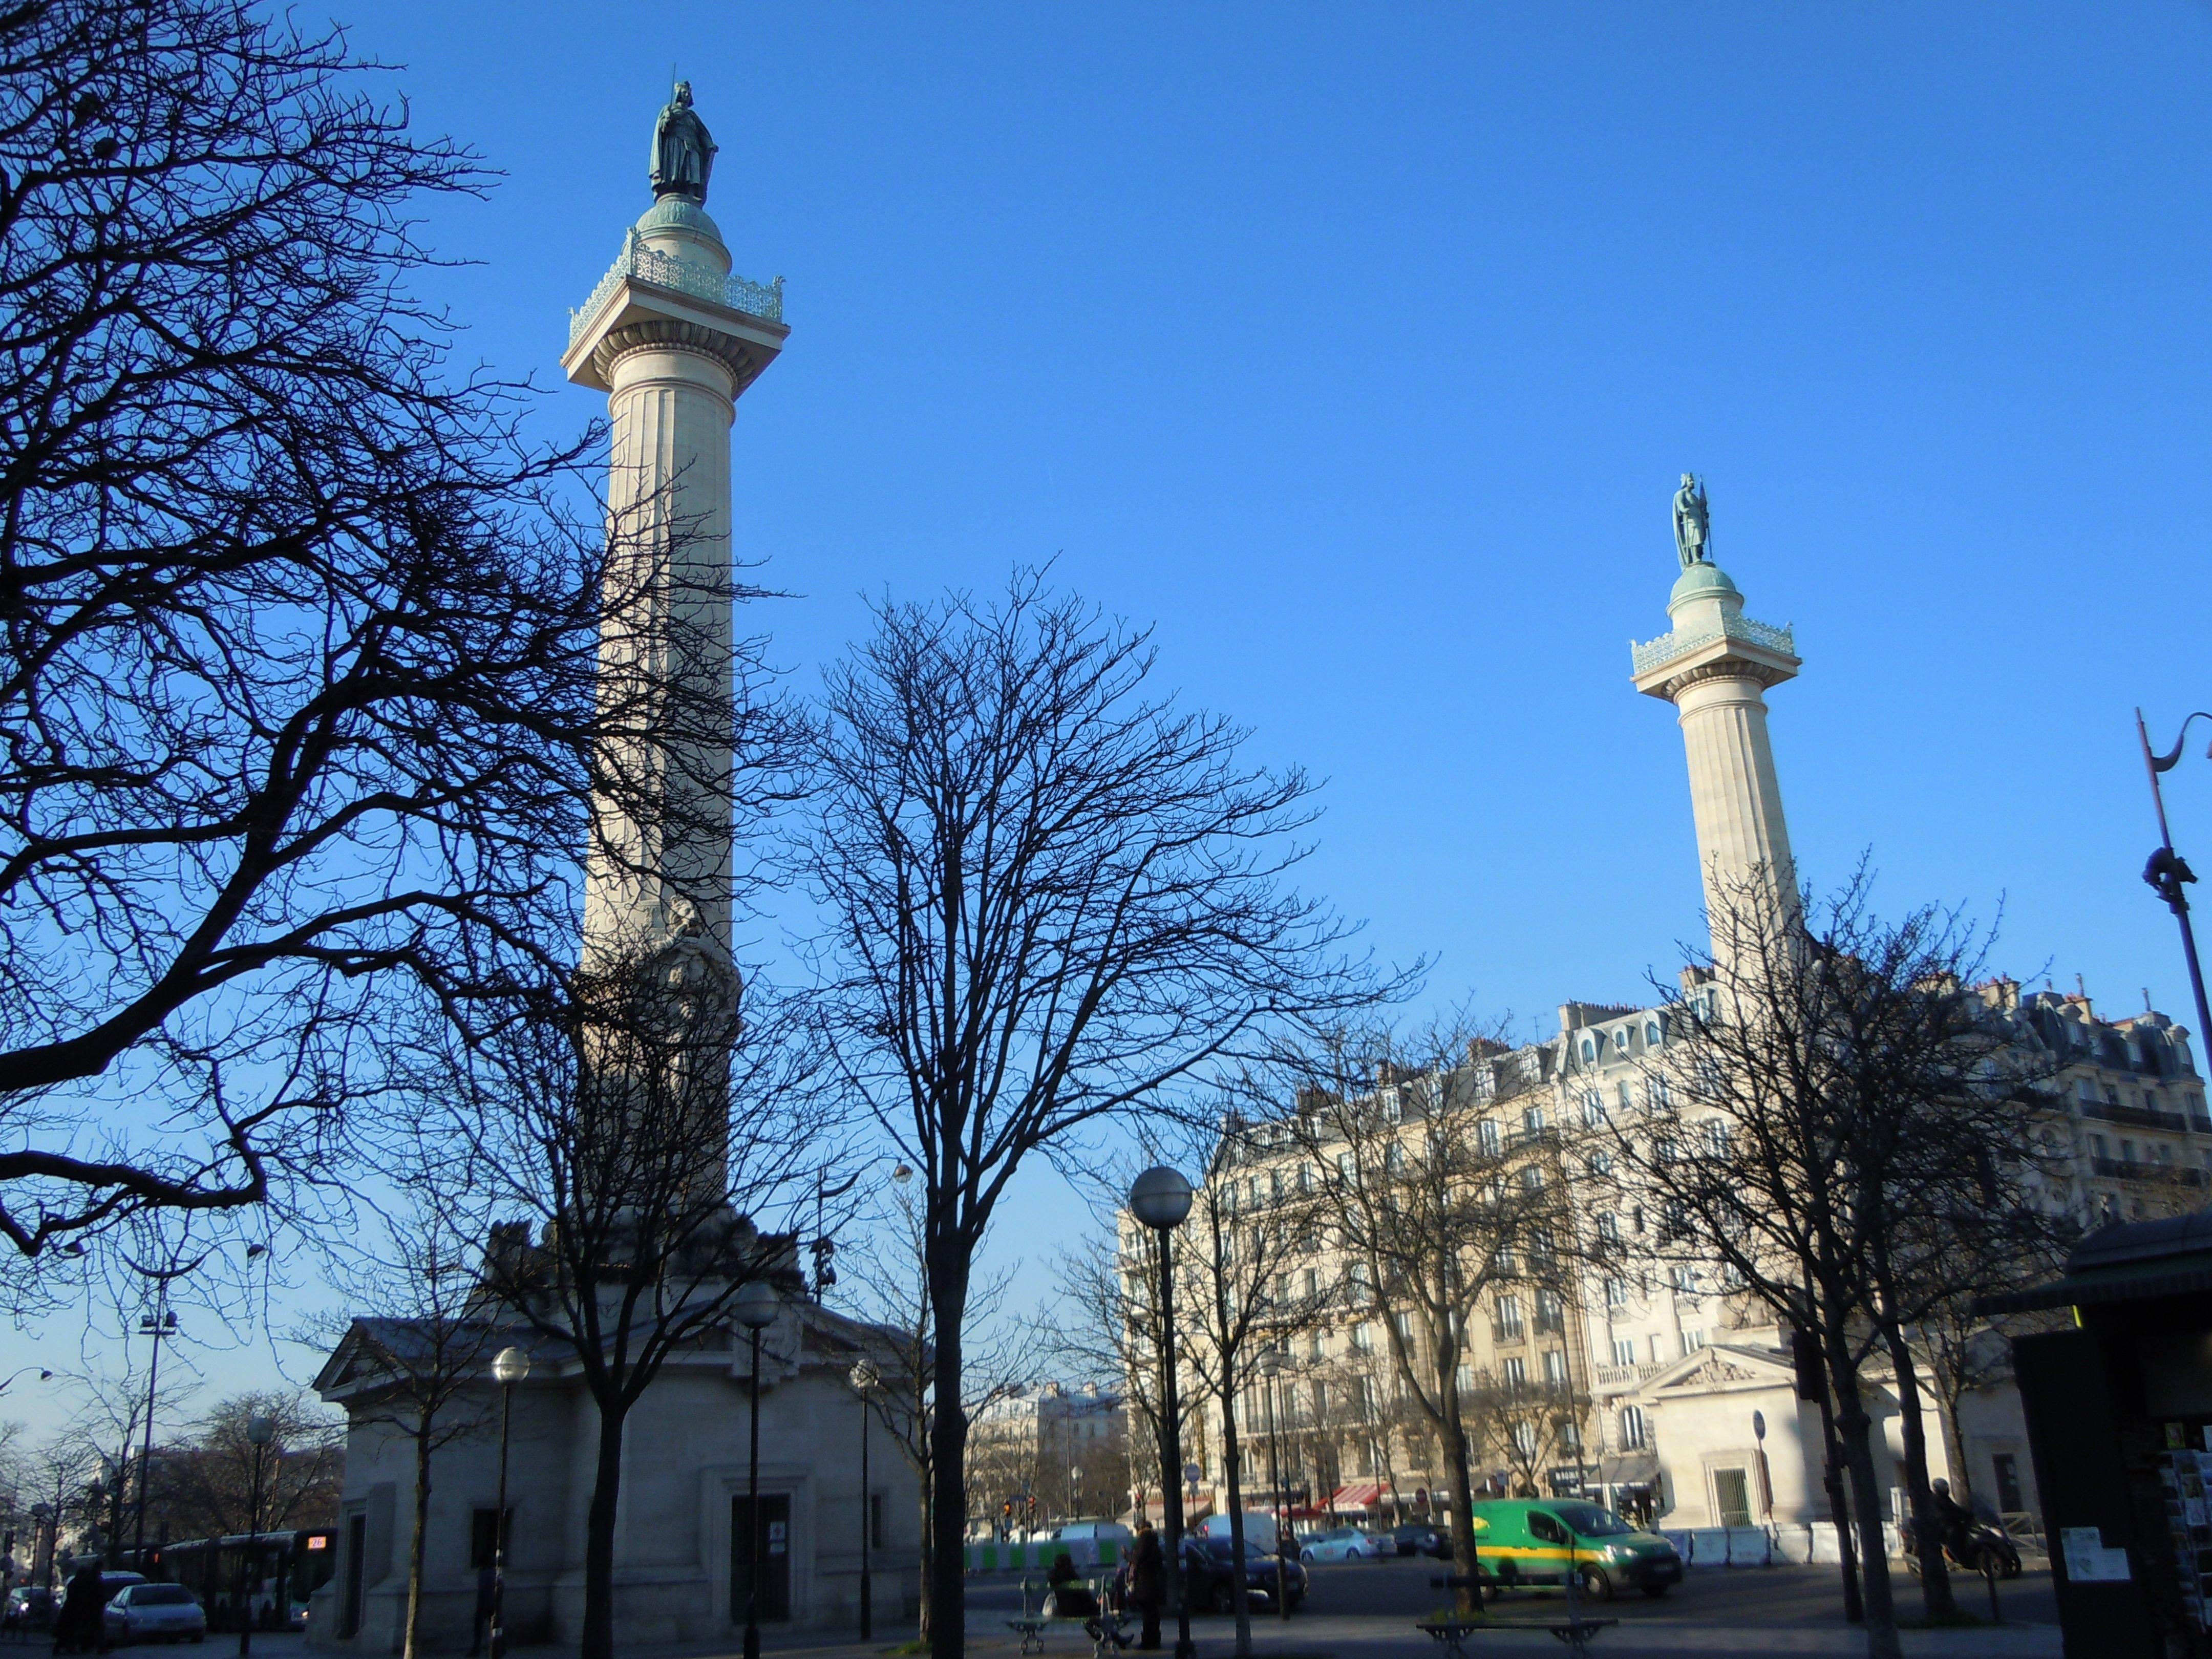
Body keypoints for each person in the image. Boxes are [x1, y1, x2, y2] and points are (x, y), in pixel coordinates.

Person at [50, 1564, 103, 1656]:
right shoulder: (79, 1583)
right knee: (70, 1630)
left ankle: (65, 1647)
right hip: (74, 1610)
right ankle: (66, 1648)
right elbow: (80, 1597)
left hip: (72, 1610)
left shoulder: (75, 1582)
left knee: (68, 1631)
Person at [1125, 1523, 1164, 1651]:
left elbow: (1138, 1558)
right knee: (1153, 1612)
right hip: (1154, 1582)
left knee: (1148, 1613)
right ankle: (1155, 1640)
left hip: (1145, 1582)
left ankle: (1148, 1641)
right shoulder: (1154, 1541)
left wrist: (1127, 1555)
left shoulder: (1144, 1540)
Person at [465, 1564, 495, 1657]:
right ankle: (500, 1647)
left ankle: (477, 1649)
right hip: (492, 1602)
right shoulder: (493, 1573)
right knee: (494, 1626)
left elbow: (482, 1590)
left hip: (484, 1603)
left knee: (479, 1627)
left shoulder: (483, 1574)